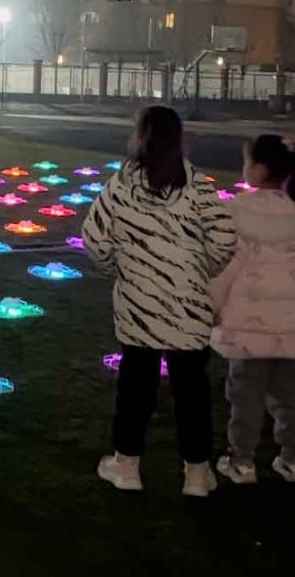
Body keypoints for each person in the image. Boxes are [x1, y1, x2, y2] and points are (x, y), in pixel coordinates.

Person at [82, 106, 236, 497]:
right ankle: (197, 474)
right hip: (188, 308)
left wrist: (119, 268)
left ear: (140, 136)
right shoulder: (197, 185)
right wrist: (199, 270)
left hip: (139, 306)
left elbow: (94, 238)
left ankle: (127, 467)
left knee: (135, 388)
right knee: (192, 392)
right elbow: (225, 238)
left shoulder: (121, 185)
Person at [210, 135, 295, 484]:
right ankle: (290, 459)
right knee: (289, 397)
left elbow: (224, 268)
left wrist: (210, 306)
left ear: (258, 170)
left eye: (247, 162)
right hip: (290, 328)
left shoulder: (237, 211)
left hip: (248, 326)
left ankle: (242, 461)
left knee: (245, 395)